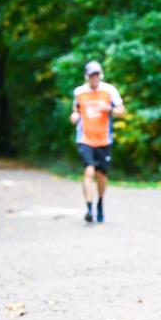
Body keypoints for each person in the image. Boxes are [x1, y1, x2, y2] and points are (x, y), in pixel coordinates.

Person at [70, 61, 124, 223]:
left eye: (97, 75)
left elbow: (121, 111)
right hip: (85, 138)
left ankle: (99, 203)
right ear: (86, 76)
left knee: (101, 175)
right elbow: (75, 110)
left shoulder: (109, 90)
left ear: (100, 75)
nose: (94, 78)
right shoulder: (79, 92)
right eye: (91, 75)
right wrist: (74, 116)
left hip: (104, 139)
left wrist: (109, 109)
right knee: (89, 171)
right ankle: (89, 209)